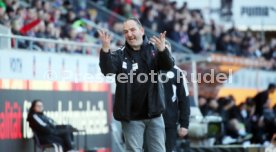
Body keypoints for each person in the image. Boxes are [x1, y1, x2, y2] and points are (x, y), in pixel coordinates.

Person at [98, 17, 174, 152]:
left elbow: (168, 65)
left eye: (132, 30)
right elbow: (107, 71)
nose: (129, 34)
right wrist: (105, 51)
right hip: (131, 117)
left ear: (142, 30)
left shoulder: (154, 50)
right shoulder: (120, 54)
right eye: (126, 31)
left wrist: (163, 51)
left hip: (154, 114)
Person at [162, 42, 190, 152]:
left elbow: (184, 99)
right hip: (148, 121)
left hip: (169, 122)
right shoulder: (149, 70)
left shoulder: (177, 72)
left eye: (165, 50)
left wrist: (184, 124)